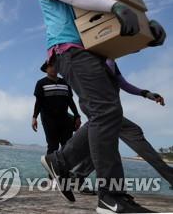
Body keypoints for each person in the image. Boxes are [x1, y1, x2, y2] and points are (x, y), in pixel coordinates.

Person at [36, 0, 166, 213]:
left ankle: (61, 162)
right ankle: (110, 197)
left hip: (96, 55)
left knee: (106, 116)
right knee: (106, 113)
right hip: (70, 50)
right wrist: (115, 7)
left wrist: (145, 33)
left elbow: (108, 28)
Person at [71, 59, 173, 191]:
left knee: (105, 146)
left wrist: (146, 94)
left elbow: (123, 83)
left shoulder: (110, 60)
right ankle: (63, 165)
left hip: (107, 111)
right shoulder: (97, 58)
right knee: (132, 132)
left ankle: (75, 176)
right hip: (103, 111)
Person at [32, 61, 81, 155]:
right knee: (53, 146)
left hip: (64, 118)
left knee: (67, 145)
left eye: (55, 66)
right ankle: (51, 166)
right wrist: (34, 117)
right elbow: (38, 102)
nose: (53, 68)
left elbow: (70, 101)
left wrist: (77, 115)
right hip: (48, 119)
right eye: (50, 66)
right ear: (46, 69)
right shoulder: (41, 83)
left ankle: (66, 168)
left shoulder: (65, 82)